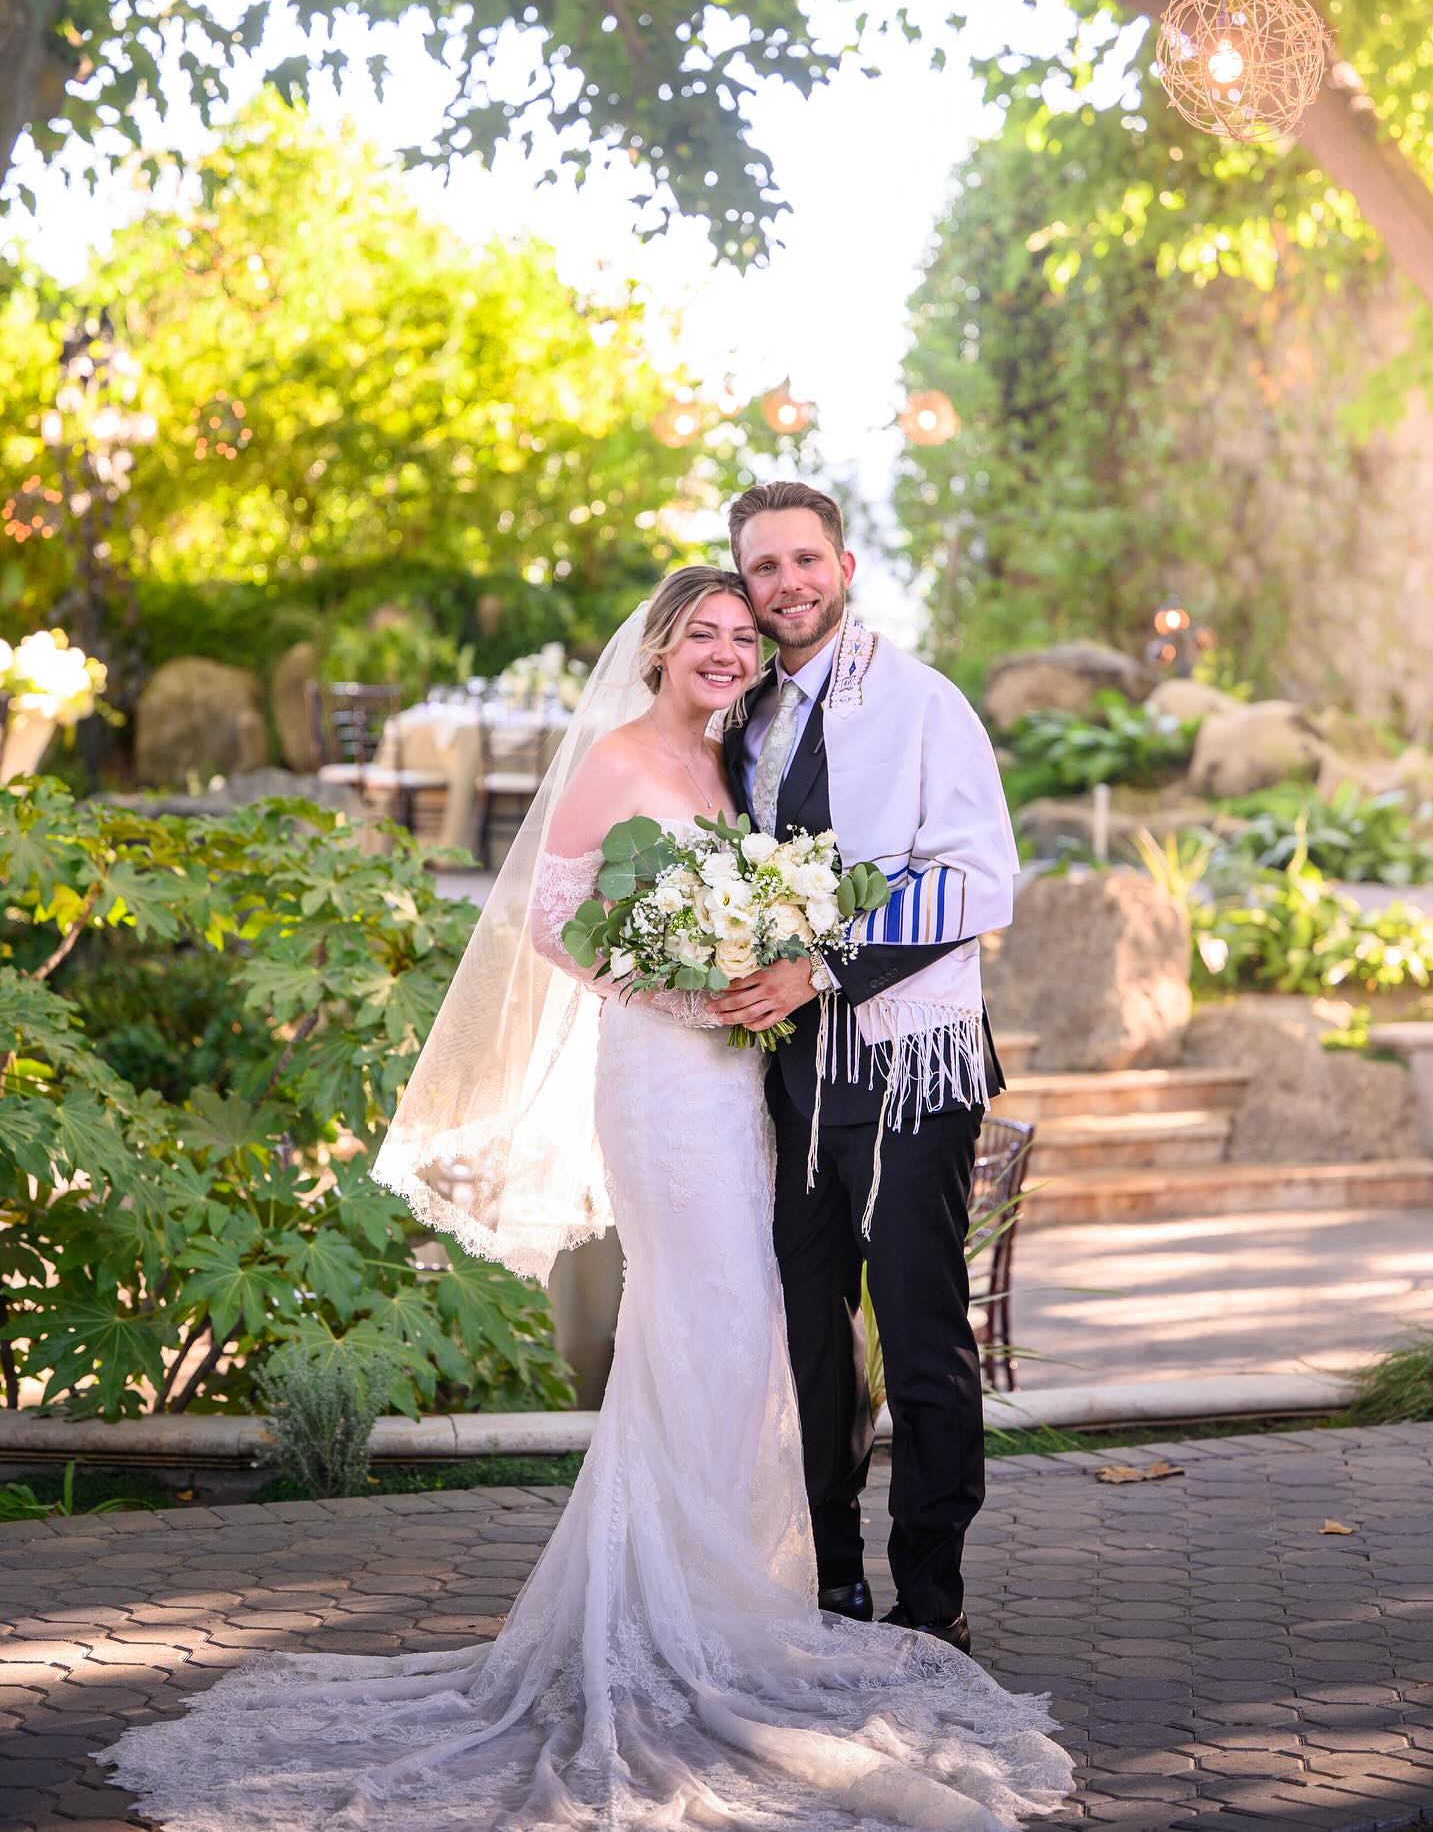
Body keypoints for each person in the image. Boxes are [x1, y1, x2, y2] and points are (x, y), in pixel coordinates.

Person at [99, 567, 1070, 1832]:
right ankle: (685, 1614)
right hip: (665, 1076)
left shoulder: (737, 762)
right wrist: (676, 987)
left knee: (739, 1331)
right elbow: (553, 924)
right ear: (661, 647)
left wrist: (750, 966)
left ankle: (738, 1599)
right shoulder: (617, 757)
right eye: (705, 632)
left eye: (741, 633)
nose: (727, 648)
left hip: (734, 1080)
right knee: (709, 1317)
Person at [715, 480, 1019, 1657]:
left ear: (846, 566)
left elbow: (978, 878)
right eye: (764, 568)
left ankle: (930, 1592)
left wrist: (823, 966)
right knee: (809, 1326)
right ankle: (831, 1577)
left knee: (923, 1323)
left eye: (805, 559)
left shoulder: (924, 703)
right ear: (745, 584)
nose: (787, 582)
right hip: (787, 1072)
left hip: (906, 1062)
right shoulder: (745, 718)